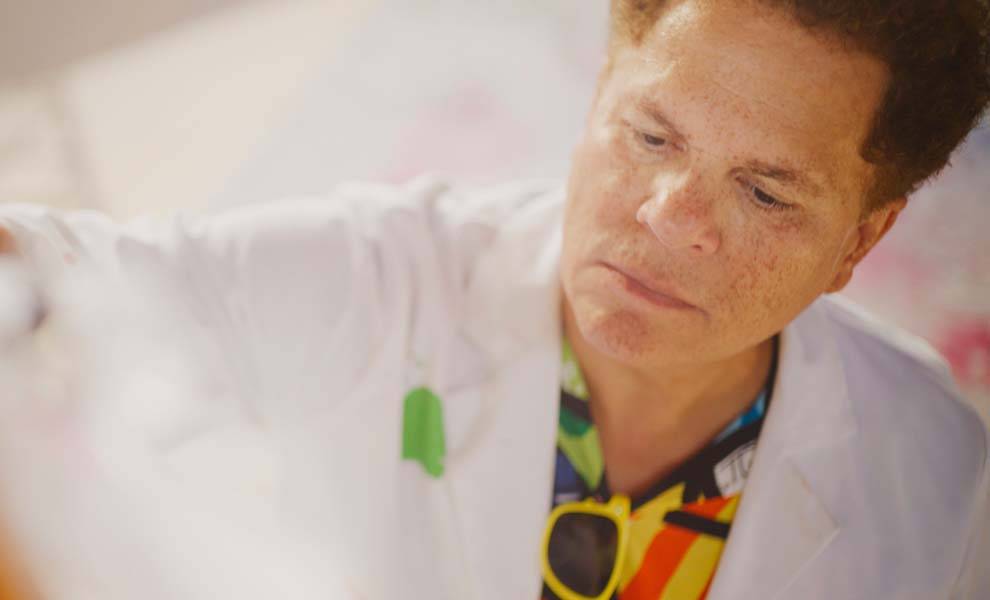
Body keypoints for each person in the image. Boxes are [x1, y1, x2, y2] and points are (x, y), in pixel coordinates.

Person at [1, 0, 988, 598]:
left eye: (765, 192)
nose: (667, 216)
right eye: (649, 135)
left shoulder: (945, 478)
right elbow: (76, 269)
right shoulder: (385, 282)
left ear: (863, 236)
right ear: (603, 85)